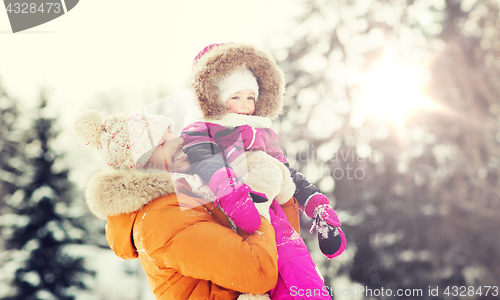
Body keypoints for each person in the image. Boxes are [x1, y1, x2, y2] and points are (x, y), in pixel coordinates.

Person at [73, 110, 281, 300]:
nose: (178, 140)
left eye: (170, 132)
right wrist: (256, 208)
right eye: (161, 143)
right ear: (140, 166)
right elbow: (259, 271)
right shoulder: (162, 217)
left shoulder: (186, 194)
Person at [182, 43, 346, 259]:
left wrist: (314, 202)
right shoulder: (202, 127)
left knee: (293, 266)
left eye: (250, 98)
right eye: (235, 97)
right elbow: (205, 161)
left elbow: (286, 171)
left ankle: (319, 225)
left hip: (270, 211)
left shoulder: (261, 131)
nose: (244, 106)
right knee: (257, 265)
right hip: (226, 210)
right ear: (214, 97)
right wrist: (232, 194)